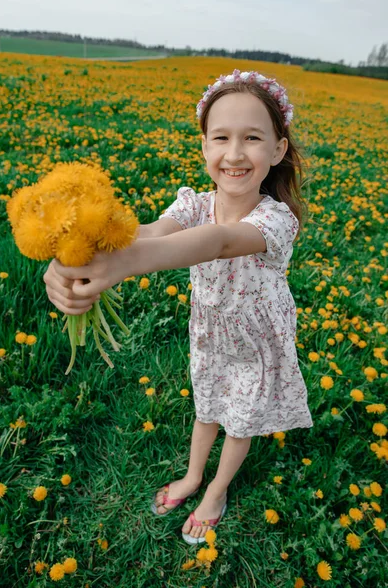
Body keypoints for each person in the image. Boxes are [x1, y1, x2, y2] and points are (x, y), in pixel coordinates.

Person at [44, 69, 313, 545]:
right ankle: (191, 476)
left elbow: (219, 241)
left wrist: (126, 265)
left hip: (256, 339)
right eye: (221, 138)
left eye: (252, 138)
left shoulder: (276, 219)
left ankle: (216, 488)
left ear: (277, 150)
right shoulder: (194, 204)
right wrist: (85, 253)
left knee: (239, 420)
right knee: (207, 406)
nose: (234, 153)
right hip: (209, 331)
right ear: (205, 147)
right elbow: (151, 233)